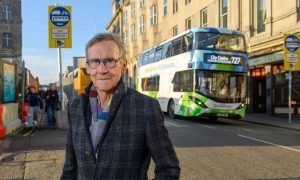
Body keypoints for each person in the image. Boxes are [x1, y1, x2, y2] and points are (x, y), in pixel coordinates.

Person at [61, 33, 180, 179]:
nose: (102, 69)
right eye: (95, 62)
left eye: (109, 61)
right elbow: (70, 168)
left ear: (123, 66)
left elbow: (168, 169)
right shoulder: (75, 106)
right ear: (88, 67)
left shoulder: (146, 108)